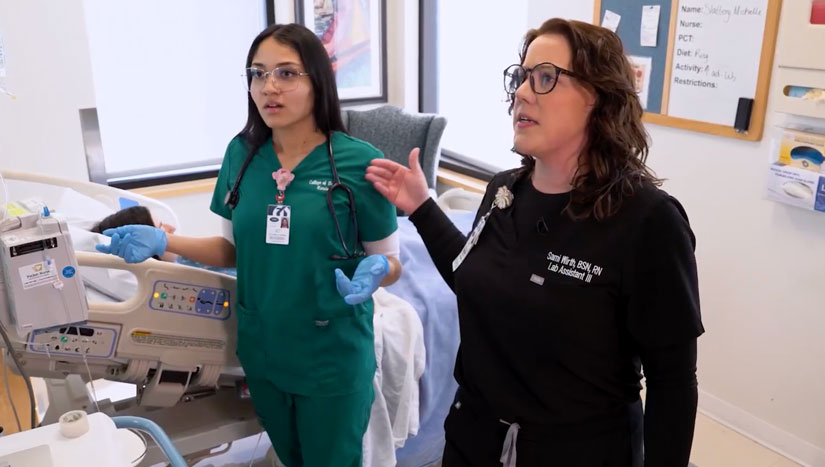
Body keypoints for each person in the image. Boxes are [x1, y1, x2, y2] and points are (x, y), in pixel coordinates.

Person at [366, 18, 703, 467]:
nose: (522, 92)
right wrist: (423, 206)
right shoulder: (505, 191)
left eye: (545, 77)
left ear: (600, 98)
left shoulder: (647, 221)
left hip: (579, 452)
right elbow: (472, 276)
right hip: (472, 438)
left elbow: (673, 381)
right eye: (521, 77)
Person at [96, 23, 401, 467]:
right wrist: (165, 239)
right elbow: (230, 252)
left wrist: (380, 272)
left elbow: (390, 261)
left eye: (286, 73)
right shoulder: (242, 155)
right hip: (263, 349)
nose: (268, 87)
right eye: (257, 74)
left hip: (329, 354)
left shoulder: (360, 163)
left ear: (319, 79)